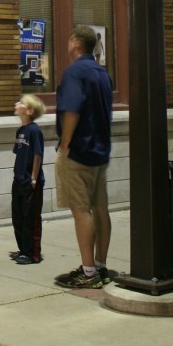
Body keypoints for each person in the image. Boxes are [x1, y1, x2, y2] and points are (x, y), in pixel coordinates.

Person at [54, 25, 113, 289]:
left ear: (76, 42)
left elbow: (71, 111)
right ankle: (100, 266)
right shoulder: (102, 73)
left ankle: (88, 273)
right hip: (101, 151)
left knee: (81, 211)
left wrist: (65, 144)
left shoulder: (75, 72)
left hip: (78, 153)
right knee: (100, 208)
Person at [10, 93, 46, 265]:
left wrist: (33, 178)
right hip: (18, 180)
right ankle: (23, 250)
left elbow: (37, 155)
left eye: (21, 103)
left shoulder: (34, 131)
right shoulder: (20, 131)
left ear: (29, 111)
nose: (16, 104)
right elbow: (19, 154)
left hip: (30, 182)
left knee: (31, 218)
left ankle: (32, 253)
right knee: (18, 217)